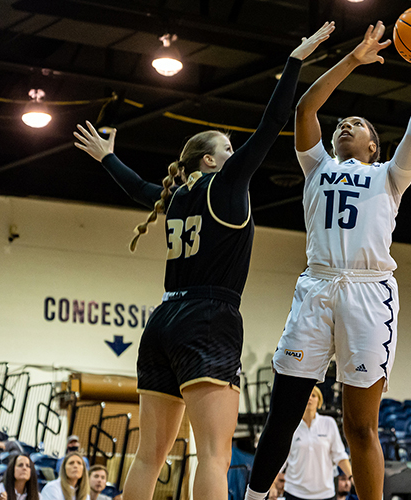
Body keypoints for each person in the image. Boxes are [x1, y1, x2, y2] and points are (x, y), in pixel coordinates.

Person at [73, 23, 335, 500]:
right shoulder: (227, 185)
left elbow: (139, 188)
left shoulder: (174, 198)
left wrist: (108, 158)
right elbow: (271, 125)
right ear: (210, 162)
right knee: (213, 455)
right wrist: (294, 61)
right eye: (228, 150)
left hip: (162, 320)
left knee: (148, 456)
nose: (236, 154)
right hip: (209, 318)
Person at [243, 21, 411, 500]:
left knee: (360, 425)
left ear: (373, 146)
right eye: (343, 122)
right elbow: (305, 107)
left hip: (367, 291)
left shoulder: (390, 175)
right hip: (317, 286)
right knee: (283, 412)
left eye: (357, 124)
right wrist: (354, 60)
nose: (345, 124)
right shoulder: (316, 164)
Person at [281, 387, 352, 500]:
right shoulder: (290, 426)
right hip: (294, 492)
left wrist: (352, 477)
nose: (309, 398)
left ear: (319, 401)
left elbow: (339, 455)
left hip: (325, 494)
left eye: (313, 395)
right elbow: (281, 459)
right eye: (306, 395)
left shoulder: (329, 423)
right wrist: (271, 485)